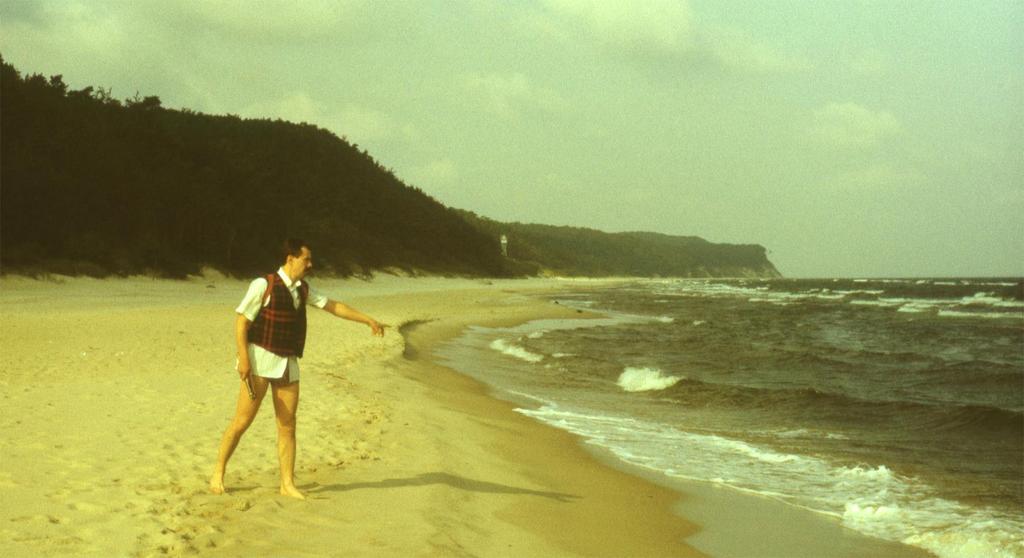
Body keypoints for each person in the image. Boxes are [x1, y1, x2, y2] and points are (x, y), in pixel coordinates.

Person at [209, 238, 385, 499]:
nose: (311, 265)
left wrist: (367, 319)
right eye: (307, 260)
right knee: (242, 421)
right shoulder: (263, 284)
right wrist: (243, 359)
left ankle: (287, 484)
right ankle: (218, 471)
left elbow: (334, 306)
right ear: (290, 259)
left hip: (288, 363)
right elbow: (241, 322)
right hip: (259, 361)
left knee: (288, 424)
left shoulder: (302, 289)